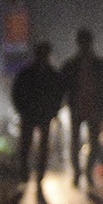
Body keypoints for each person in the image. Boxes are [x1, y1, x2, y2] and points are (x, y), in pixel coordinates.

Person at [10, 41, 66, 188]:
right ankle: (25, 174)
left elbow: (59, 95)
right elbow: (16, 93)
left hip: (42, 115)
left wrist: (54, 111)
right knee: (27, 146)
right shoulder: (30, 74)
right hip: (30, 114)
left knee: (40, 147)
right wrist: (22, 110)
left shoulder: (48, 74)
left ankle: (37, 175)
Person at [61, 28, 103, 186]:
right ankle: (78, 173)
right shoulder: (72, 65)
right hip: (77, 107)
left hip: (92, 107)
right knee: (76, 142)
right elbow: (63, 87)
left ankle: (86, 172)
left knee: (92, 142)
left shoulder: (96, 65)